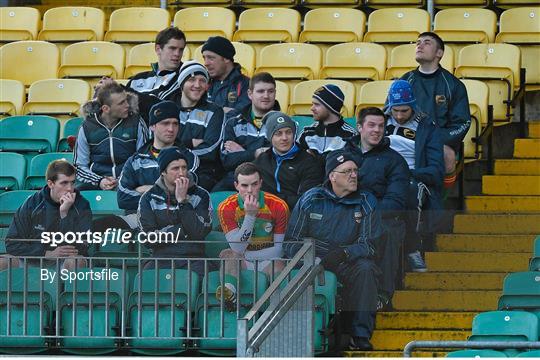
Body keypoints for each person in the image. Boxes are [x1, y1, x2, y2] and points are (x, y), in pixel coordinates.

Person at [285, 149, 382, 351]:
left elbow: (370, 245)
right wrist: (312, 259)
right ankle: (300, 336)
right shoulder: (311, 199)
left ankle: (359, 335)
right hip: (313, 262)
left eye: (355, 170)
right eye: (347, 171)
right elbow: (291, 242)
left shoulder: (366, 201)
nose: (354, 175)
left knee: (366, 269)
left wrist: (343, 254)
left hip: (348, 262)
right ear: (332, 176)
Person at [93, 101, 198, 232]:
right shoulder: (135, 160)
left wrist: (144, 189)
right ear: (153, 126)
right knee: (94, 227)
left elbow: (188, 195)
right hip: (138, 217)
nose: (171, 129)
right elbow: (123, 199)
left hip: (176, 219)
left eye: (175, 123)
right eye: (165, 123)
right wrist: (164, 191)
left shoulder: (190, 158)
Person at [345, 107, 409, 309]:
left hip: (379, 217)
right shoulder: (343, 156)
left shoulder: (395, 160)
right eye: (371, 125)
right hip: (345, 215)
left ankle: (382, 294)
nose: (377, 130)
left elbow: (396, 201)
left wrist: (365, 214)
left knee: (388, 231)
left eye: (381, 126)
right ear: (360, 127)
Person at [384, 80, 445, 273]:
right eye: (396, 111)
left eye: (404, 111)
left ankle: (412, 248)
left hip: (412, 176)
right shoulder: (379, 120)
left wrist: (409, 173)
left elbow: (436, 170)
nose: (400, 116)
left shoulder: (427, 126)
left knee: (409, 190)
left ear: (413, 106)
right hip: (380, 173)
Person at [401, 32, 471, 189]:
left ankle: (439, 198)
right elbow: (389, 112)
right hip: (406, 136)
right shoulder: (405, 80)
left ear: (439, 53)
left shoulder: (453, 85)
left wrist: (435, 139)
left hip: (437, 140)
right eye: (418, 42)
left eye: (427, 42)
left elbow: (463, 122)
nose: (419, 45)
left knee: (448, 155)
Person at [216, 162, 289, 310]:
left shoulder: (279, 206)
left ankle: (279, 308)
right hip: (241, 260)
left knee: (280, 265)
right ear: (236, 185)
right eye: (244, 186)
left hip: (268, 259)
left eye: (254, 184)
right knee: (228, 254)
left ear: (261, 183)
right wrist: (250, 216)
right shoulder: (226, 207)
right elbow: (236, 247)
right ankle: (228, 296)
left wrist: (247, 254)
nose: (250, 190)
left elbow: (279, 249)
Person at [2, 160, 92, 271]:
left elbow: (82, 246)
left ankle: (68, 288)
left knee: (76, 261)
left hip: (63, 262)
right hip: (33, 259)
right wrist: (45, 253)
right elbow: (12, 243)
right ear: (51, 184)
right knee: (2, 262)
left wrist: (64, 214)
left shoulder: (82, 205)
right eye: (64, 183)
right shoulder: (32, 203)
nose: (69, 188)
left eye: (72, 182)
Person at [137, 147, 212, 275]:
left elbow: (199, 231)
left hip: (195, 258)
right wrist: (181, 230)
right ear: (163, 172)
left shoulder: (201, 195)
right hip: (161, 257)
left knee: (203, 276)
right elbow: (147, 238)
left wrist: (183, 202)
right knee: (144, 278)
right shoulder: (149, 198)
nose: (182, 173)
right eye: (175, 168)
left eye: (184, 167)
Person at [74, 82, 149, 190]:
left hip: (129, 182)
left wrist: (122, 179)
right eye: (121, 103)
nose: (127, 105)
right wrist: (99, 181)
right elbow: (79, 166)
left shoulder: (137, 122)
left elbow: (144, 158)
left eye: (126, 100)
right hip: (95, 183)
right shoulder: (87, 127)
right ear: (106, 109)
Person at [214, 72, 280, 191]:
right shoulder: (233, 123)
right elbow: (227, 160)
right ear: (250, 94)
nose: (266, 96)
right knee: (215, 195)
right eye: (260, 91)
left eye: (270, 91)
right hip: (235, 179)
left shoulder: (283, 124)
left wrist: (242, 153)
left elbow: (276, 160)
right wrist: (255, 153)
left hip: (268, 180)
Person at [254, 111, 324, 210]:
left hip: (295, 217)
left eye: (288, 132)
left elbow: (306, 201)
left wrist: (271, 200)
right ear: (270, 137)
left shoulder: (308, 162)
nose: (284, 138)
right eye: (278, 133)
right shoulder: (262, 160)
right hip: (264, 215)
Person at [176, 61, 225, 191]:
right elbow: (159, 141)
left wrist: (175, 154)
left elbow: (210, 149)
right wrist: (190, 142)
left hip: (202, 172)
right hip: (169, 168)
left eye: (202, 80)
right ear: (181, 83)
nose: (197, 85)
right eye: (192, 80)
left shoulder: (214, 111)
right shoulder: (169, 109)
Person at [127, 27, 186, 101]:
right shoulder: (136, 79)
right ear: (158, 49)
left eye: (181, 49)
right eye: (172, 48)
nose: (177, 54)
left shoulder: (185, 79)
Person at [297, 84, 357, 158]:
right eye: (312, 104)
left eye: (317, 104)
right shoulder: (306, 132)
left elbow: (347, 165)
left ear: (331, 107)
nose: (312, 108)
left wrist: (313, 157)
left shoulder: (349, 134)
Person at [202, 36, 250, 113]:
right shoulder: (203, 83)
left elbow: (243, 116)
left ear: (226, 58)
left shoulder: (246, 85)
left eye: (211, 58)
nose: (206, 63)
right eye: (204, 58)